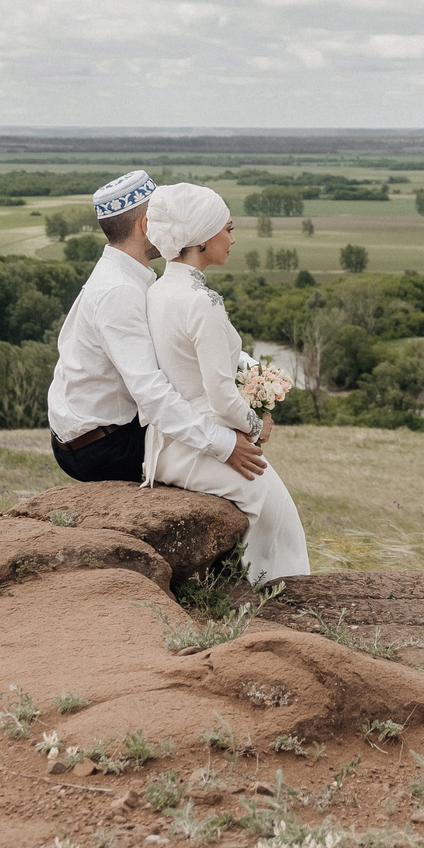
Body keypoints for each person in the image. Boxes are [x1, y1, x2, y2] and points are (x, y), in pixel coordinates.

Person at [45, 170, 267, 493]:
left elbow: (185, 347)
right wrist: (225, 445)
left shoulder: (135, 275)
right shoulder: (118, 291)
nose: (172, 223)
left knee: (219, 412)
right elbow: (151, 393)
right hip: (98, 446)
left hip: (107, 428)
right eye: (162, 216)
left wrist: (256, 380)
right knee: (226, 436)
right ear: (146, 226)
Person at [144, 182, 311, 583]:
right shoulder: (202, 302)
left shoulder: (158, 289)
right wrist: (257, 426)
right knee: (278, 511)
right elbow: (220, 396)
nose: (233, 239)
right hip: (198, 444)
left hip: (165, 442)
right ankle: (278, 599)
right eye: (228, 229)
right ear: (201, 239)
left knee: (273, 505)